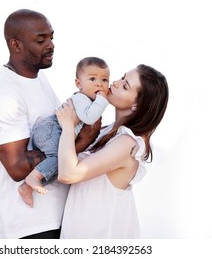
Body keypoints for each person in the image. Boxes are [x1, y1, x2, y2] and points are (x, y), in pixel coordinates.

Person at [0, 9, 100, 239]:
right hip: (31, 225)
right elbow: (16, 167)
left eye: (52, 37)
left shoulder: (38, 77)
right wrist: (81, 141)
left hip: (62, 217)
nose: (51, 45)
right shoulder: (4, 96)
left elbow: (58, 135)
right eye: (41, 39)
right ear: (16, 45)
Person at [56, 64, 169, 238]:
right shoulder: (107, 132)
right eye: (122, 77)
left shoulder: (127, 144)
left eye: (125, 86)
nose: (115, 82)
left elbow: (69, 174)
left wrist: (68, 125)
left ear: (137, 106)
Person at [18, 57, 110, 207]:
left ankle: (26, 187)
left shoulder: (89, 101)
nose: (99, 83)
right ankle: (33, 178)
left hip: (53, 134)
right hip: (50, 130)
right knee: (58, 159)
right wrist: (103, 100)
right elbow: (89, 117)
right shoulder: (81, 98)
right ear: (79, 84)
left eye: (105, 80)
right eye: (92, 79)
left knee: (61, 165)